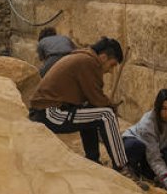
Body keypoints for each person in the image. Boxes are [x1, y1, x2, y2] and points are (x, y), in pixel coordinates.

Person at [28, 37, 135, 178]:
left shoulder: (84, 58)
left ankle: (93, 160)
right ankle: (121, 167)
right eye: (112, 65)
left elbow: (93, 101)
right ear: (103, 57)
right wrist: (111, 107)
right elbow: (97, 98)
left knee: (92, 113)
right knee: (106, 115)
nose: (110, 71)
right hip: (51, 113)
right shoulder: (88, 62)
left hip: (49, 111)